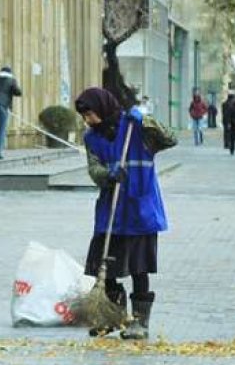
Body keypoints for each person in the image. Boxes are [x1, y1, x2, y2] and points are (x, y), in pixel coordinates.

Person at [74, 87, 176, 340]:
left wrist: (145, 120)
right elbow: (93, 169)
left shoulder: (136, 129)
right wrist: (108, 175)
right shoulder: (92, 138)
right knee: (104, 268)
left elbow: (170, 138)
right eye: (84, 116)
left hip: (140, 209)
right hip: (111, 212)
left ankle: (139, 323)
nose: (88, 120)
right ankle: (113, 317)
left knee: (139, 269)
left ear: (103, 108)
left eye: (90, 114)